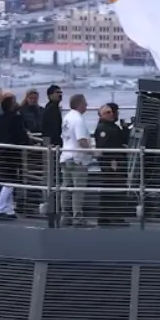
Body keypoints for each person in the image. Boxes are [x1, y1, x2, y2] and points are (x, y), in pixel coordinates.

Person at [0, 94, 29, 219]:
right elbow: (22, 135)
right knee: (11, 181)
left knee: (7, 180)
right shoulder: (16, 119)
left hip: (1, 152)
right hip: (13, 152)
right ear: (10, 105)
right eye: (14, 102)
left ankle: (9, 209)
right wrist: (29, 142)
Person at [93, 103, 129, 225]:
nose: (111, 114)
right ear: (101, 115)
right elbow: (103, 147)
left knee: (115, 189)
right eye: (107, 112)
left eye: (111, 112)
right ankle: (112, 217)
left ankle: (108, 216)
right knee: (113, 190)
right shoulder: (103, 128)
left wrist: (125, 128)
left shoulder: (112, 126)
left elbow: (121, 139)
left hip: (118, 162)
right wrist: (111, 160)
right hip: (112, 164)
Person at [60, 93, 93, 226]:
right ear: (79, 104)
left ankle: (65, 215)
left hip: (65, 156)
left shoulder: (67, 117)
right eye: (85, 103)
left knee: (66, 188)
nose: (87, 105)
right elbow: (82, 140)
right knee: (78, 189)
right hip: (77, 158)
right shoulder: (78, 119)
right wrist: (93, 152)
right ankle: (77, 216)